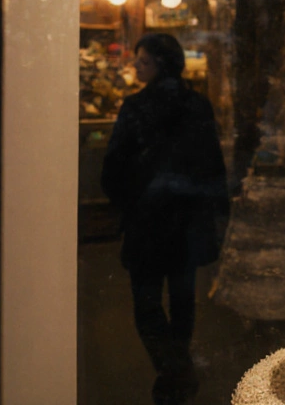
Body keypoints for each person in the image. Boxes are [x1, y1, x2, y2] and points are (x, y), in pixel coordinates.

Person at [102, 33, 230, 404]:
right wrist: (214, 210)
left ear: (158, 63)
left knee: (146, 305)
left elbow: (113, 171)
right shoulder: (198, 106)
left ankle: (175, 371)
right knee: (182, 299)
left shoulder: (135, 108)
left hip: (147, 222)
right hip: (187, 221)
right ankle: (178, 372)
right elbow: (212, 166)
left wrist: (130, 199)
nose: (136, 67)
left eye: (141, 61)